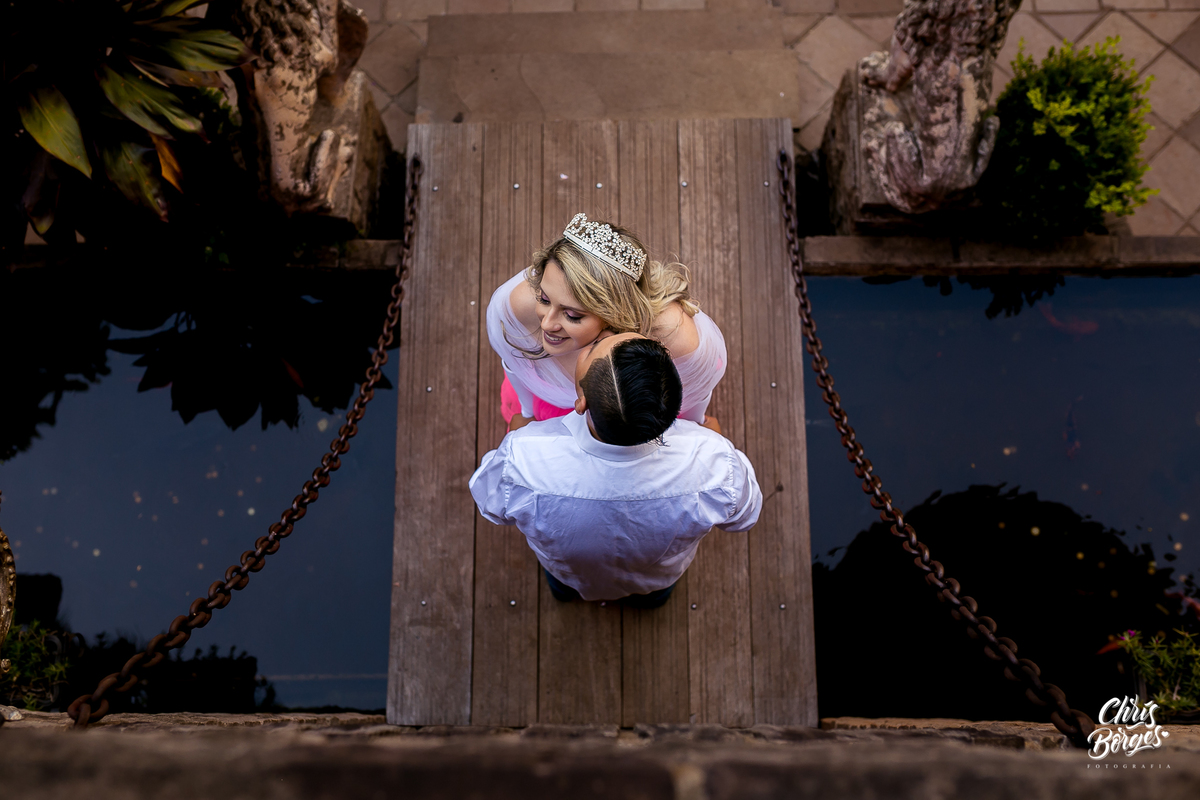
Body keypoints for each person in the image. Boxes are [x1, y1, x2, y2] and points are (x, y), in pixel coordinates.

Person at [469, 332, 762, 607]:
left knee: (563, 589)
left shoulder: (523, 457)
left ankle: (564, 595)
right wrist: (713, 441)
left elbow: (490, 503)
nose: (607, 332)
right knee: (654, 599)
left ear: (581, 402)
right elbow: (744, 517)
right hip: (658, 576)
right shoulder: (715, 463)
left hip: (569, 573)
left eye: (594, 347)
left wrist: (518, 435)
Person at [487, 213, 726, 431]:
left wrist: (697, 426)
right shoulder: (517, 308)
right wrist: (527, 414)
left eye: (572, 315)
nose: (547, 325)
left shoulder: (674, 337)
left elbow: (695, 391)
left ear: (615, 315)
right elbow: (515, 364)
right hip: (548, 407)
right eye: (544, 299)